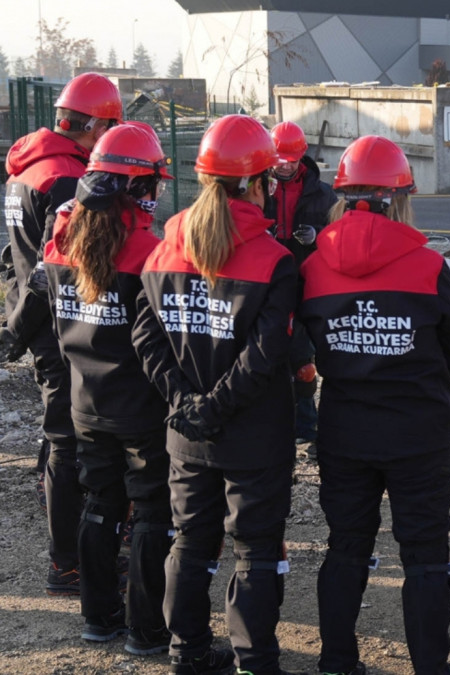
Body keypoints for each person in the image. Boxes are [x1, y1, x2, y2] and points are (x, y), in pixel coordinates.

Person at [298, 135, 450, 675]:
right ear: (399, 198)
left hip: (346, 430)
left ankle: (336, 661)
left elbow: (302, 344)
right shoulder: (426, 266)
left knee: (346, 546)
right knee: (425, 556)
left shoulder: (312, 267)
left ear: (343, 195)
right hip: (419, 433)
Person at [132, 114, 299, 675]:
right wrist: (215, 406)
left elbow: (145, 338)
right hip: (253, 437)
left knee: (190, 543)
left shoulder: (165, 248)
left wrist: (185, 405)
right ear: (257, 184)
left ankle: (187, 655)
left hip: (187, 437)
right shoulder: (275, 260)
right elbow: (265, 354)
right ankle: (254, 661)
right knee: (253, 551)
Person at [43, 122, 174, 653]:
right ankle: (146, 630)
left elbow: (46, 326)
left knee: (99, 504)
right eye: (153, 185)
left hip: (84, 403)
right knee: (149, 513)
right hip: (141, 409)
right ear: (136, 189)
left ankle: (98, 619)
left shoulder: (59, 249)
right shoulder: (148, 254)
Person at [3, 71, 123, 596]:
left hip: (36, 321)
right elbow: (48, 268)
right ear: (94, 124)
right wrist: (18, 330)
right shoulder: (66, 178)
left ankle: (69, 550)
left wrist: (14, 324)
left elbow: (13, 258)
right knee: (69, 441)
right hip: (59, 325)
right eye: (112, 128)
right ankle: (68, 563)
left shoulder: (24, 170)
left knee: (60, 439)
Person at [264, 120, 336, 448]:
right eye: (278, 162)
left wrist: (317, 236)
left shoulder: (322, 195)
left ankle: (306, 426)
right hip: (267, 278)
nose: (284, 168)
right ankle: (273, 421)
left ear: (301, 158)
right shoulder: (258, 185)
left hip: (305, 278)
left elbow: (339, 234)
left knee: (303, 358)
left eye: (290, 162)